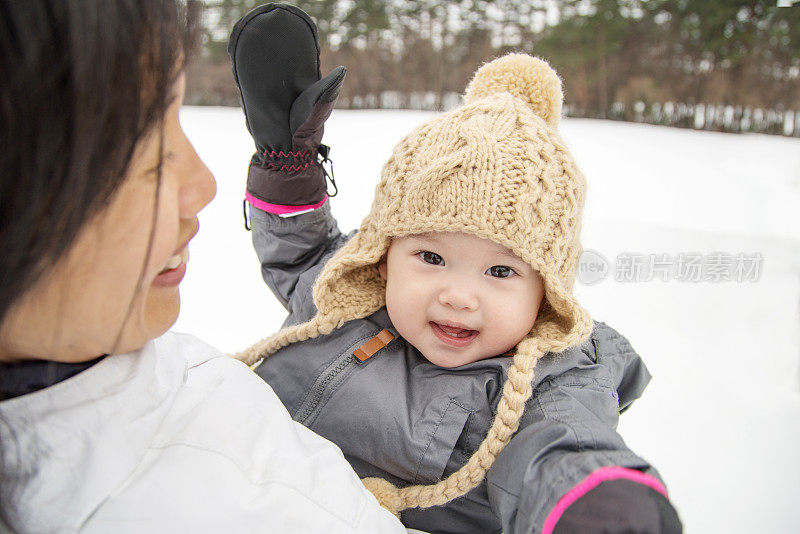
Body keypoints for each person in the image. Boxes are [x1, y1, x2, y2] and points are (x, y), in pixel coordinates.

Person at [230, 4, 683, 534]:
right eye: (431, 258)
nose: (459, 295)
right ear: (384, 254)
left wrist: (596, 502)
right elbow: (301, 254)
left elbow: (563, 445)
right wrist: (288, 167)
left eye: (500, 273)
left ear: (547, 292)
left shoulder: (547, 382)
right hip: (234, 476)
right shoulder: (350, 289)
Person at [0, 2, 411, 532]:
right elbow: (312, 264)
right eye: (136, 147)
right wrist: (288, 171)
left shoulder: (123, 353)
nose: (204, 186)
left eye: (177, 120)